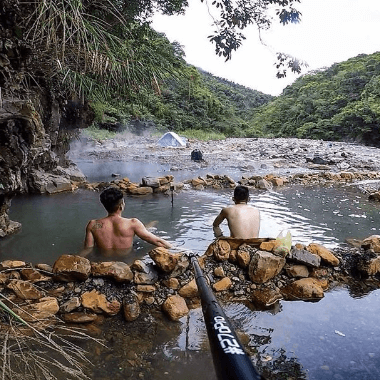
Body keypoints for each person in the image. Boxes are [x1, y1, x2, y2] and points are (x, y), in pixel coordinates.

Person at [81, 187, 171, 257]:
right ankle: (149, 226)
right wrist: (177, 250)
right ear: (121, 206)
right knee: (141, 235)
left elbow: (88, 249)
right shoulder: (132, 223)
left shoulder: (93, 224)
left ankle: (148, 226)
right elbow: (158, 241)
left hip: (104, 259)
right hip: (127, 260)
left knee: (140, 232)